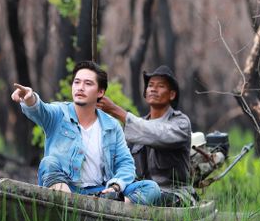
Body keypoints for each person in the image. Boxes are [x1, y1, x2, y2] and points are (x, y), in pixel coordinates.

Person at [11, 60, 160, 205]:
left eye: (88, 83)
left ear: (100, 92)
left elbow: (125, 163)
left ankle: (112, 206)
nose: (80, 87)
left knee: (151, 188)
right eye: (77, 82)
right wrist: (30, 98)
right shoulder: (58, 114)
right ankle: (69, 209)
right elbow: (40, 111)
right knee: (48, 163)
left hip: (101, 193)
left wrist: (114, 188)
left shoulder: (112, 126)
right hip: (68, 189)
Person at [97, 65, 193, 206]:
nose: (153, 89)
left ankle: (124, 204)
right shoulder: (137, 125)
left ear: (172, 94)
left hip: (174, 193)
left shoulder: (181, 123)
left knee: (157, 196)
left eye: (160, 86)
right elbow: (122, 162)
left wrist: (115, 110)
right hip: (140, 190)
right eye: (150, 85)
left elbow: (157, 134)